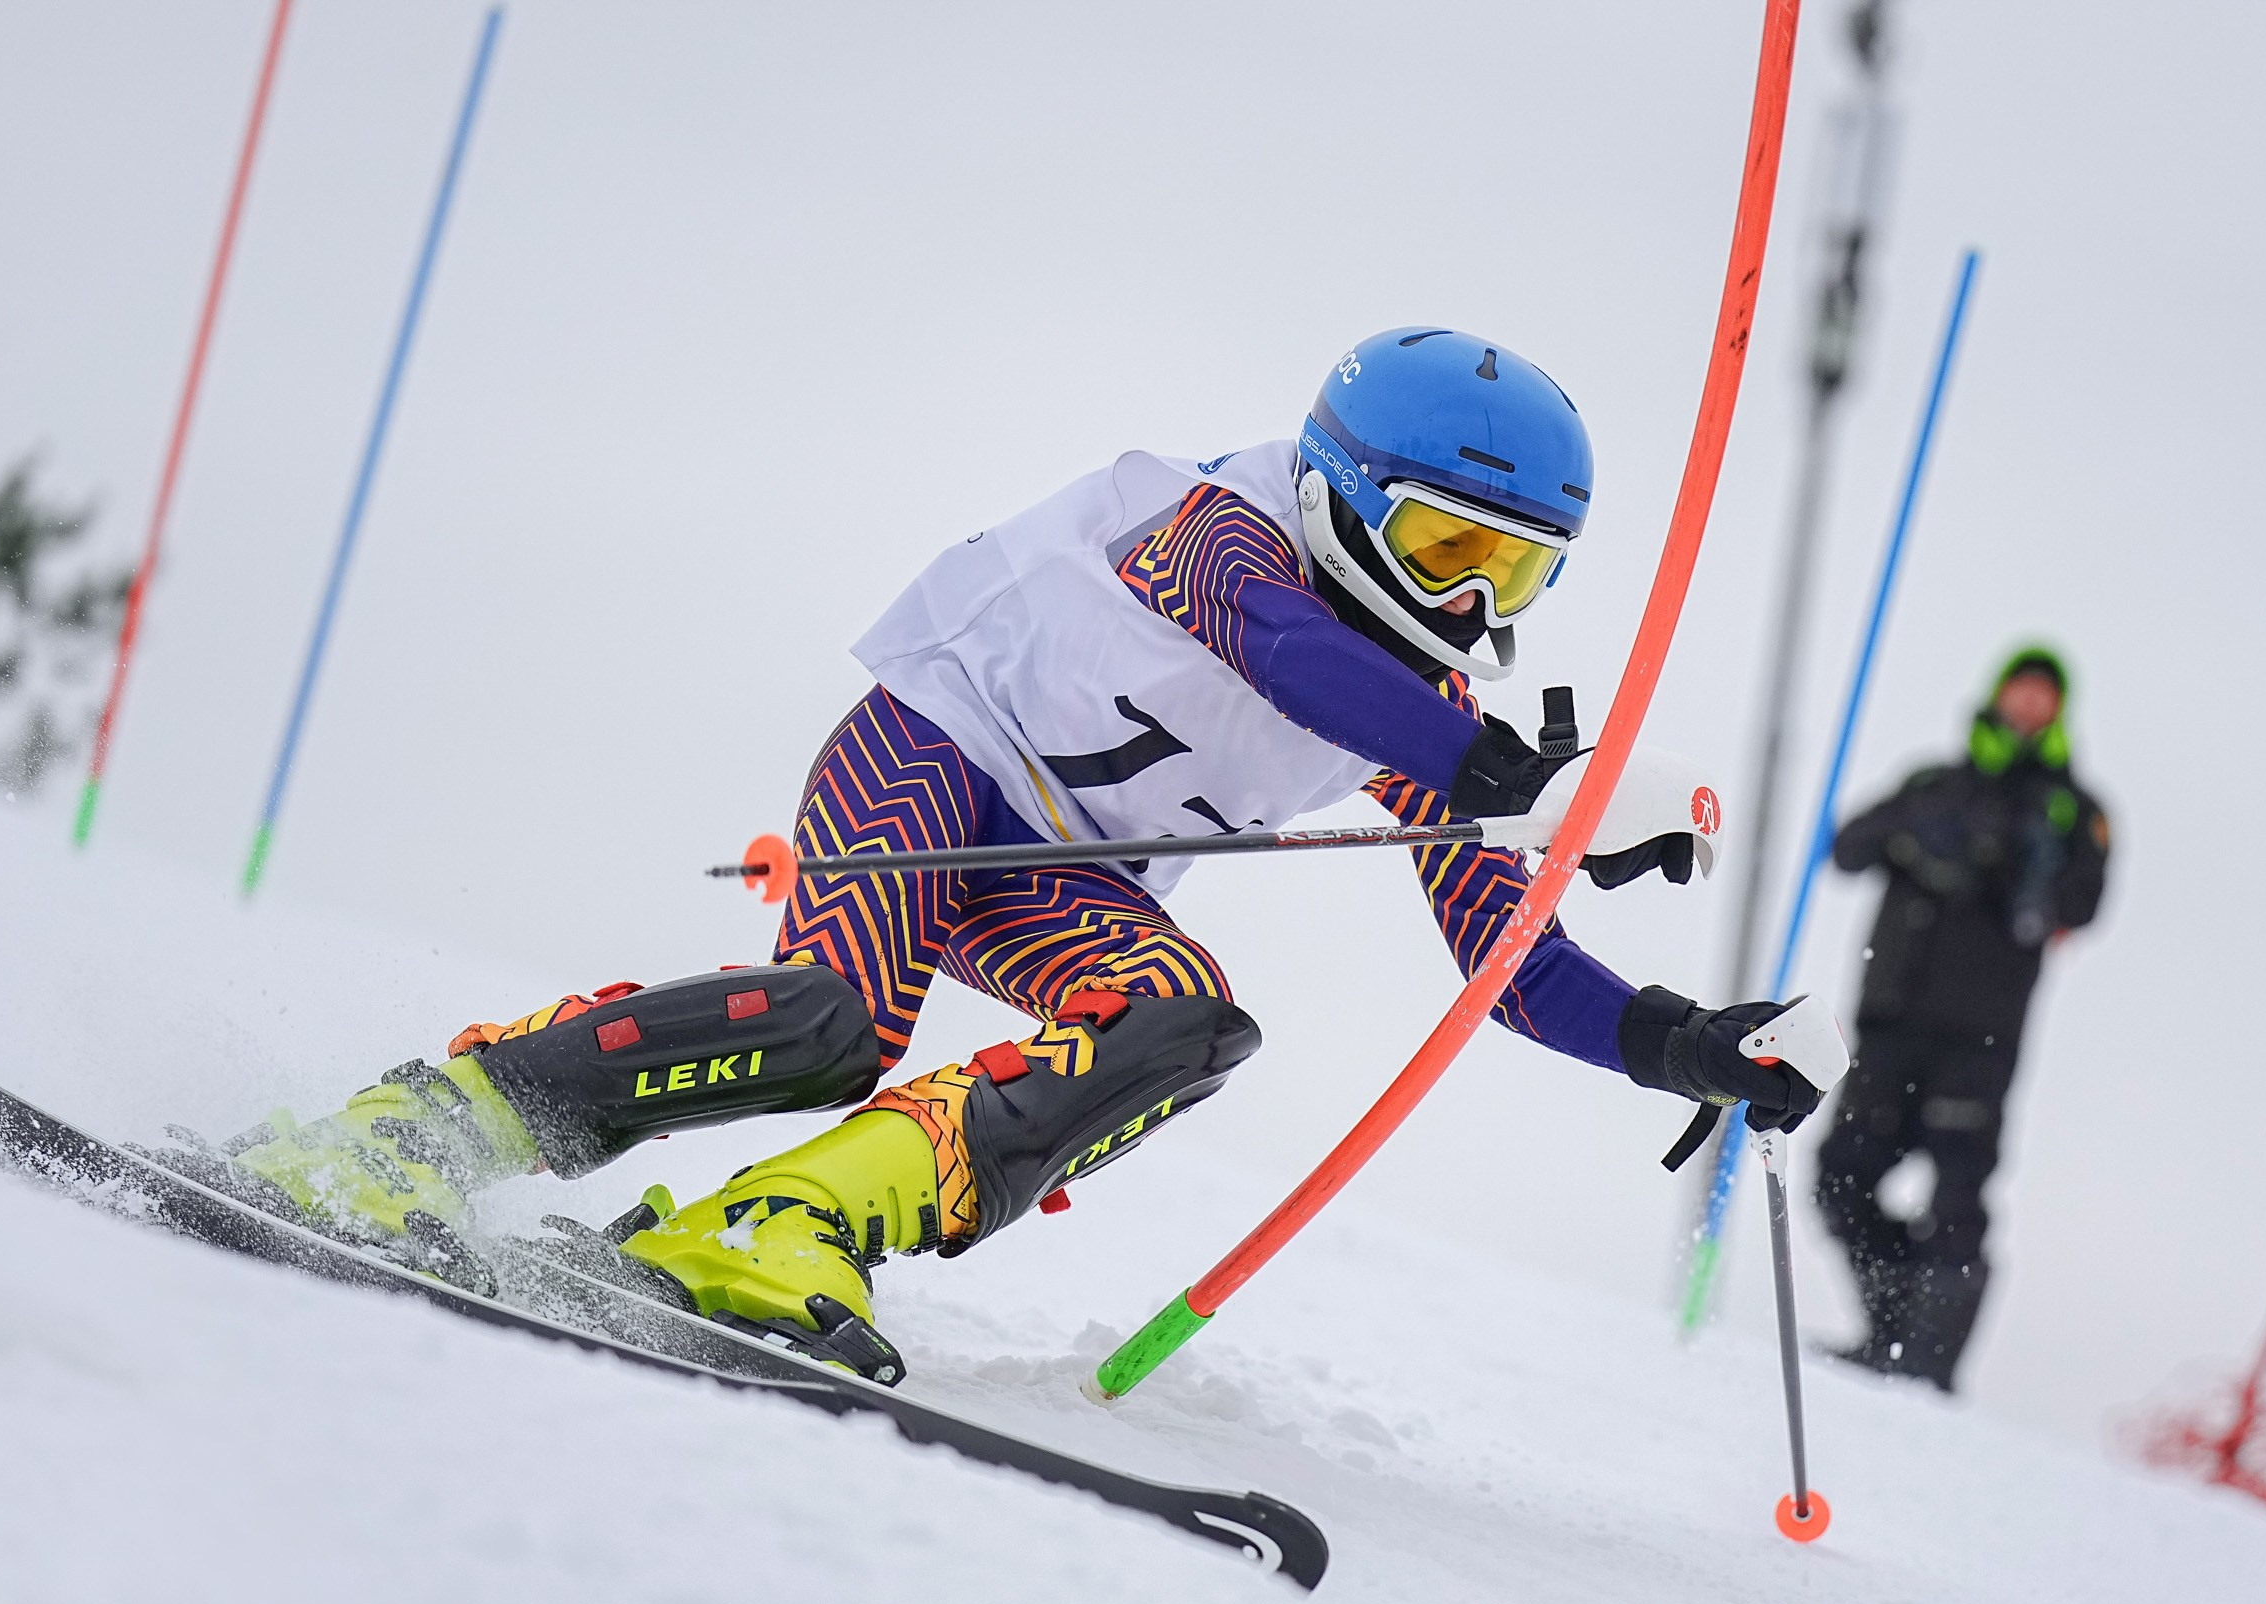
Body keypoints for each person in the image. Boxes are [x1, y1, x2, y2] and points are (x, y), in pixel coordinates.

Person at [193, 328, 1829, 1377]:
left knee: (1184, 1016)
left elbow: (1507, 946)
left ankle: (775, 1226)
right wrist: (1499, 765)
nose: (1469, 603)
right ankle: (425, 1128)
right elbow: (1275, 646)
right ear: (1344, 487)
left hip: (1054, 880)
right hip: (929, 768)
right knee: (833, 1024)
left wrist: (1672, 1039)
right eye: (1442, 547)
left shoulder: (1432, 698)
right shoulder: (1223, 526)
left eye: (1517, 575)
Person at [1814, 647, 2111, 1391]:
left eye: (2045, 696)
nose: (2029, 705)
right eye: (2022, 688)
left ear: (2059, 711)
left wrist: (2009, 866)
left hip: (1980, 1035)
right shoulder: (1932, 783)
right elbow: (1848, 846)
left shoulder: (2072, 810)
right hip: (1889, 1018)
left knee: (1957, 1196)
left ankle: (1928, 1364)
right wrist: (1916, 837)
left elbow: (2081, 903)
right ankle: (1890, 1334)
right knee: (1841, 1174)